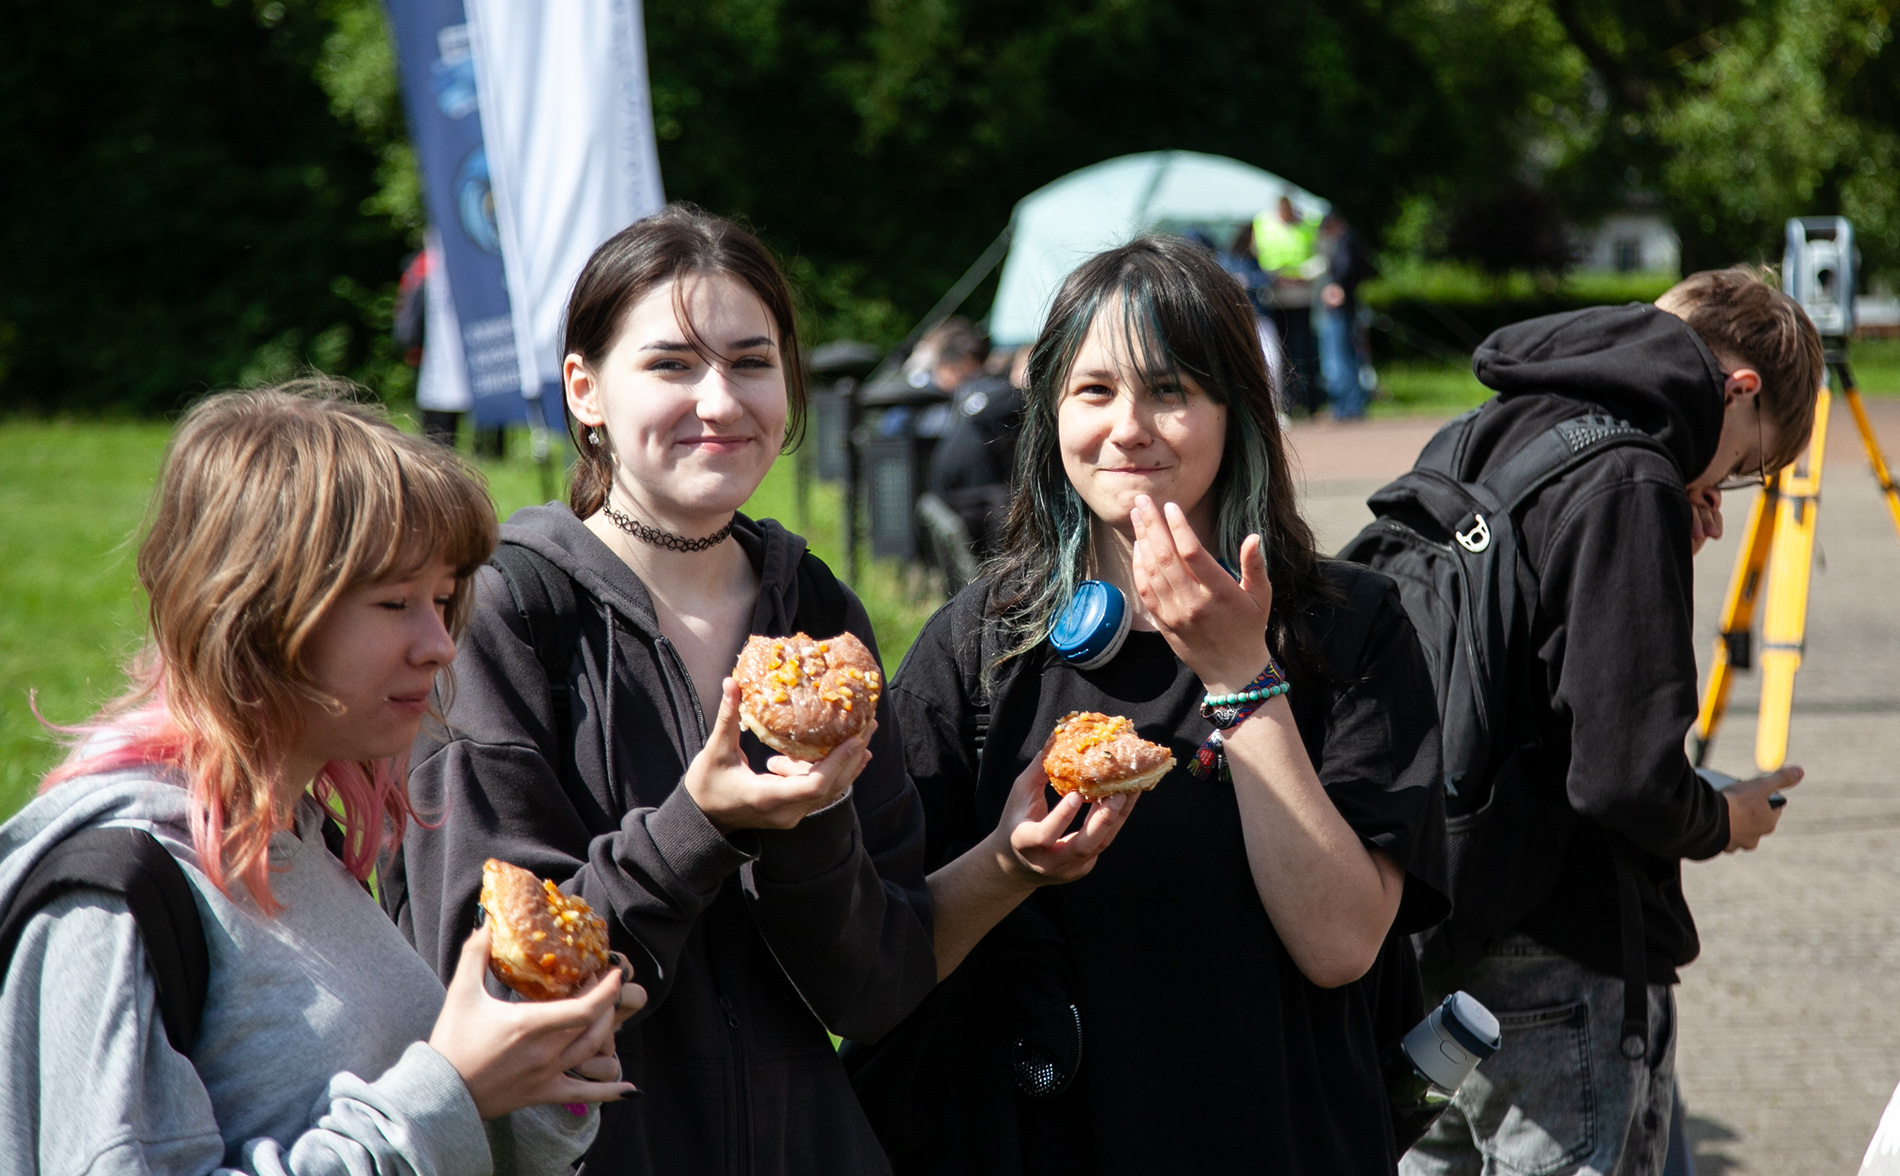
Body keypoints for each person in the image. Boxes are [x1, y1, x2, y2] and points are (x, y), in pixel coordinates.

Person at [382, 204, 936, 1175]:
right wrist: (702, 823)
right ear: (584, 389)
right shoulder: (508, 610)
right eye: (673, 364)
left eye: (752, 362)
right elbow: (492, 976)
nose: (720, 402)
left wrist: (803, 822)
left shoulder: (812, 612)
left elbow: (873, 989)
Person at [884, 234, 1449, 1173]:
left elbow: (1342, 944)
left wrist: (1240, 677)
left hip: (1281, 1134)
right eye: (1094, 391)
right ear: (1051, 412)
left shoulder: (1350, 629)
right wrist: (1007, 867)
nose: (1129, 426)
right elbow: (884, 962)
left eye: (1172, 391)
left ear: (1239, 413)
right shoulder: (982, 644)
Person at [0, 383, 640, 1174]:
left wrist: (543, 1075)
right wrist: (451, 1092)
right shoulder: (115, 895)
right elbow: (424, 1114)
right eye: (395, 601)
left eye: (443, 600)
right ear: (259, 612)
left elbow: (436, 1133)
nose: (440, 644)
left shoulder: (306, 838)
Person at [1398, 267, 1823, 1176]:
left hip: (1429, 917)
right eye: (1749, 465)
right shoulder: (1626, 479)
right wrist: (1724, 819)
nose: (1728, 484)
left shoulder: (1489, 427)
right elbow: (1624, 772)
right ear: (1740, 391)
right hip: (1560, 951)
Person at [1254, 195, 1326, 414]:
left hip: (1302, 295)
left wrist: (1305, 275)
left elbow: (1320, 257)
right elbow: (1259, 256)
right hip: (1277, 296)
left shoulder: (1306, 226)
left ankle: (1310, 402)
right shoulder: (1264, 224)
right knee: (1283, 353)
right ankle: (1289, 402)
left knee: (1303, 351)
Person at [1315, 212, 1377, 420]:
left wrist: (1337, 287)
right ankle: (1352, 406)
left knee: (1340, 359)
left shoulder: (1345, 241)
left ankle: (1346, 407)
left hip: (1340, 309)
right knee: (1349, 356)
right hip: (1349, 307)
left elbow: (1345, 268)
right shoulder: (1353, 240)